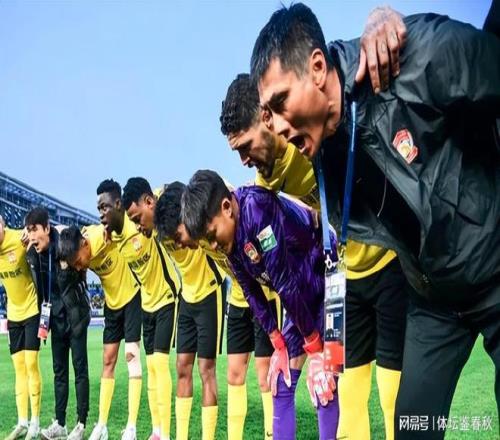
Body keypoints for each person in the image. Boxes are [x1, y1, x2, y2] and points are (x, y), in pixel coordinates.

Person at [250, 3, 500, 438]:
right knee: (412, 427)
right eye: (270, 113)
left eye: (281, 102)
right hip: (434, 298)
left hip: (492, 268)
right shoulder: (321, 149)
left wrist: (381, 16)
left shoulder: (413, 55)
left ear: (317, 68)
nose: (280, 127)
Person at [220, 71, 409, 439]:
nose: (243, 159)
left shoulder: (309, 133)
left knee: (392, 394)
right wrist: (290, 340)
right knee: (345, 392)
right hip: (343, 276)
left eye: (245, 146)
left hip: (387, 259)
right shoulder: (265, 185)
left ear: (267, 117)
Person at [182, 170, 339, 440]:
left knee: (324, 381)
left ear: (227, 207)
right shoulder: (230, 241)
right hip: (300, 289)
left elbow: (283, 282)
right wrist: (277, 342)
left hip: (328, 269)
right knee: (280, 380)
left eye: (212, 234)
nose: (213, 245)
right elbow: (250, 290)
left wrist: (315, 349)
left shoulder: (256, 209)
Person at [123, 178, 225, 440]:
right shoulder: (149, 221)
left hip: (208, 289)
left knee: (206, 369)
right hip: (186, 296)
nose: (137, 226)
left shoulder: (173, 199)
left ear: (149, 202)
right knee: (182, 367)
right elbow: (122, 220)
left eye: (138, 218)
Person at [97, 179, 180, 440]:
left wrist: (165, 189)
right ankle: (156, 430)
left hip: (167, 297)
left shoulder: (141, 218)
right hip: (147, 303)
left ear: (118, 205)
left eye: (104, 207)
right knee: (151, 367)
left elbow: (158, 195)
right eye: (98, 209)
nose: (101, 214)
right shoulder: (112, 236)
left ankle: (166, 434)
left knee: (160, 365)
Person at [58, 222, 142, 440]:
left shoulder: (101, 236)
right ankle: (102, 425)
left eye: (78, 261)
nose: (79, 267)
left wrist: (114, 228)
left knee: (131, 356)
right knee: (108, 360)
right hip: (112, 303)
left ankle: (131, 427)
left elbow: (123, 223)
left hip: (132, 296)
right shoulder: (77, 252)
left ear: (85, 245)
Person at [25, 207, 90, 440]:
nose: (32, 236)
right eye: (28, 230)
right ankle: (60, 423)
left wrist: (63, 266)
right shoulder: (32, 254)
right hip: (55, 319)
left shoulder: (64, 243)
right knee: (59, 372)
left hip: (75, 316)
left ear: (47, 228)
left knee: (80, 370)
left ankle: (81, 424)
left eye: (35, 230)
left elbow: (75, 274)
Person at [0, 215, 42, 440]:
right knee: (18, 368)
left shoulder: (19, 238)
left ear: (3, 225)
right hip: (13, 314)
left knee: (31, 363)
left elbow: (41, 241)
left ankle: (35, 421)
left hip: (32, 310)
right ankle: (22, 422)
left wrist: (31, 238)